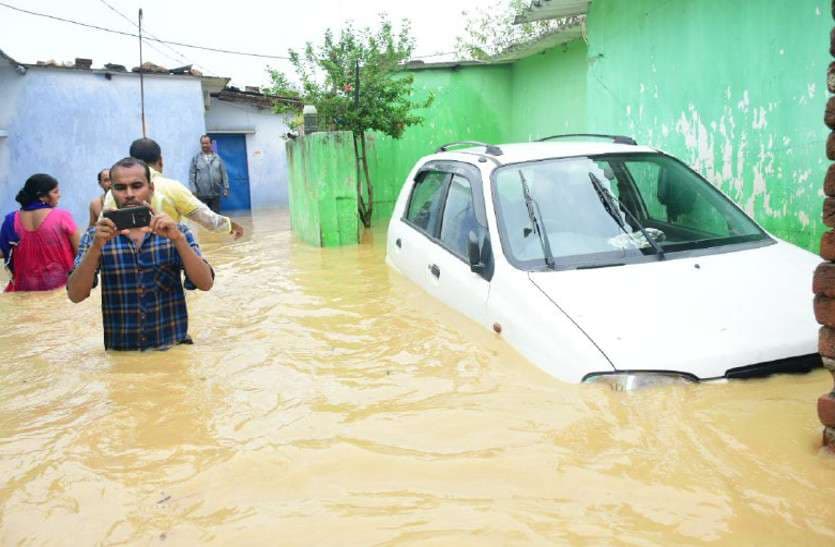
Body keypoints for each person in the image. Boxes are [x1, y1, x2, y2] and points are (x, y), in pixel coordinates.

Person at [67, 157, 214, 351]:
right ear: (111, 192)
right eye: (120, 188)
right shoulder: (96, 237)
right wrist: (96, 248)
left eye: (137, 186)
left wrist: (178, 240)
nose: (129, 194)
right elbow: (76, 295)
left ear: (151, 189)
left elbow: (205, 284)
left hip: (173, 351)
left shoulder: (176, 232)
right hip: (121, 357)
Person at [100, 138, 244, 238]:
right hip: (166, 260)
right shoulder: (172, 187)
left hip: (124, 264)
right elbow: (207, 218)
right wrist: (231, 225)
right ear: (161, 161)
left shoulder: (114, 192)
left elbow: (101, 229)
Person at [0, 174, 80, 292]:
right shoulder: (62, 217)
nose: (59, 195)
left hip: (24, 289)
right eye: (55, 192)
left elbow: (3, 252)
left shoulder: (11, 220)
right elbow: (81, 252)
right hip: (60, 288)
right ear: (42, 197)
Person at [189, 135, 230, 213]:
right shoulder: (196, 158)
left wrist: (226, 187)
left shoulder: (217, 158)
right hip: (201, 195)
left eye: (206, 143)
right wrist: (193, 190)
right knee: (204, 217)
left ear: (211, 144)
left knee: (216, 216)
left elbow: (224, 173)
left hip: (215, 193)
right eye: (202, 143)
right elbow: (192, 175)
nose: (204, 145)